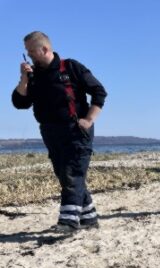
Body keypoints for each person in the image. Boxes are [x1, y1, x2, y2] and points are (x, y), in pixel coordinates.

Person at [12, 31, 107, 232]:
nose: (29, 56)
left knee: (72, 173)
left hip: (76, 131)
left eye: (31, 51)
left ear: (44, 49)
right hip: (49, 132)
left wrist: (89, 119)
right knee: (64, 175)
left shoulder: (71, 67)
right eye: (27, 52)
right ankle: (89, 217)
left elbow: (99, 92)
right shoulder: (33, 76)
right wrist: (24, 79)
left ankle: (68, 222)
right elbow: (20, 103)